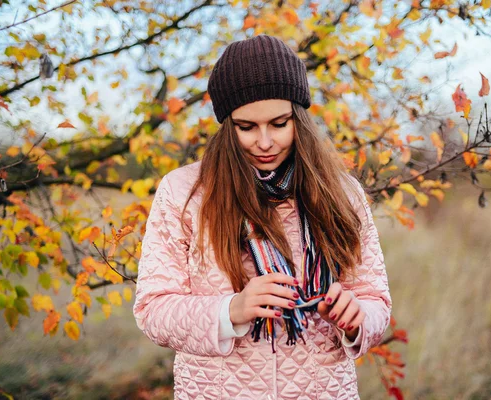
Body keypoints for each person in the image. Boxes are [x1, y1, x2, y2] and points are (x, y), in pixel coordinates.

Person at [133, 34, 392, 400]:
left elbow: (375, 300)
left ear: (298, 119)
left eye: (279, 123)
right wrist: (232, 309)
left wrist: (357, 318)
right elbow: (153, 309)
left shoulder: (342, 193)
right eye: (247, 127)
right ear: (227, 125)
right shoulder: (184, 192)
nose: (265, 142)